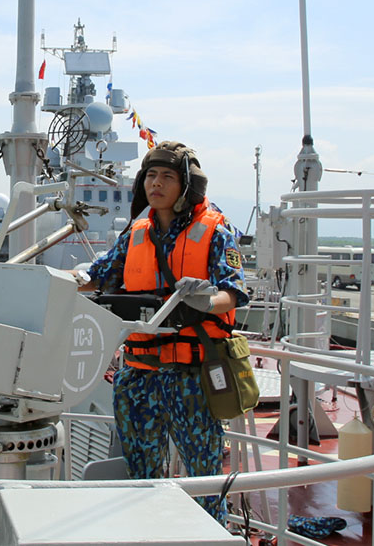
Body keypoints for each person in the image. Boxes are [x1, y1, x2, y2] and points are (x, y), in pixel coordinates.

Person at [80, 142, 248, 521]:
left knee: (204, 477)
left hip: (191, 378)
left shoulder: (215, 231)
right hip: (138, 376)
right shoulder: (136, 233)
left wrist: (205, 301)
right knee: (141, 476)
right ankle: (149, 531)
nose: (156, 183)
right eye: (151, 176)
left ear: (187, 185)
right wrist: (63, 278)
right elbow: (99, 276)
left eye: (167, 176)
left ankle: (210, 535)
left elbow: (234, 291)